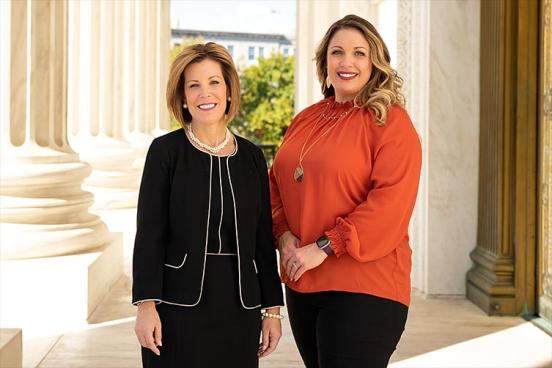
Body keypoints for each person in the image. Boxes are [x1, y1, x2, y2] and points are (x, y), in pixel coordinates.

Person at [270, 14, 422, 368]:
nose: (347, 62)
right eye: (337, 52)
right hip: (304, 282)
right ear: (325, 61)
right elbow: (276, 182)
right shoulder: (306, 118)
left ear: (375, 62)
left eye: (359, 53)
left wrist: (324, 246)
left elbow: (389, 205)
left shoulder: (391, 122)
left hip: (366, 287)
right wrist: (283, 235)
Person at [132, 42, 284, 368]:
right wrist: (146, 306)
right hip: (176, 307)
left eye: (214, 82)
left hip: (239, 307)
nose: (205, 93)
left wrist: (272, 310)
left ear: (229, 91)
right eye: (194, 85)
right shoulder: (165, 152)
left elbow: (262, 239)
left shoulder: (251, 157)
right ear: (183, 97)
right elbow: (149, 235)